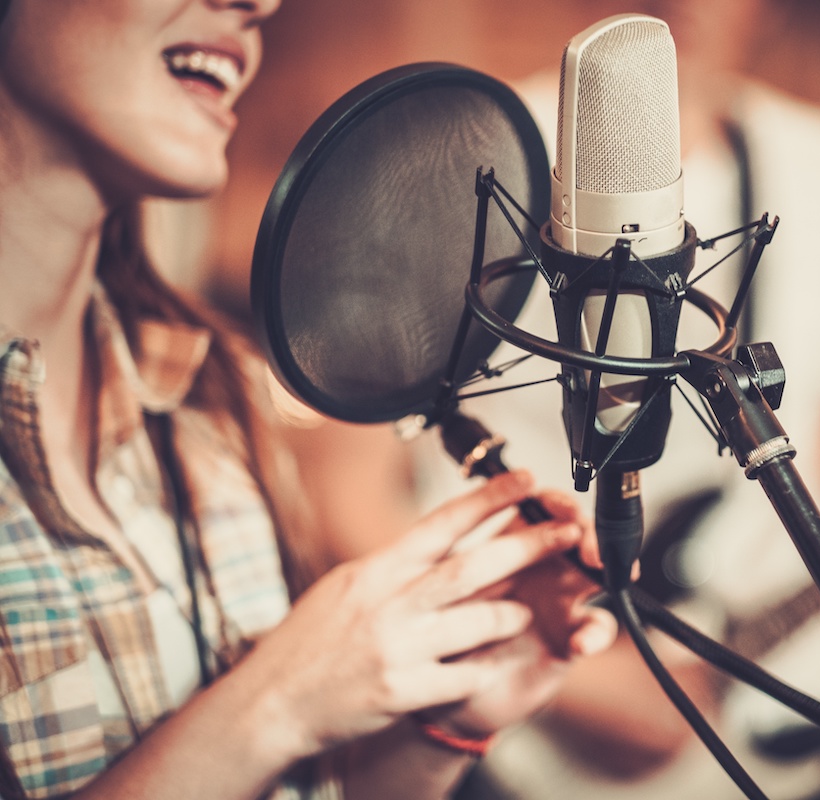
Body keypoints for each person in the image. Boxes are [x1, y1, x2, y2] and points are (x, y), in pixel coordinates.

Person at [0, 1, 616, 799]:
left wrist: (447, 723)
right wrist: (279, 701)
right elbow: (271, 721)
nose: (259, 3)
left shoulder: (211, 399)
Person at [403, 3, 820, 799]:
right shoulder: (474, 152)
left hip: (783, 734)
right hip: (525, 742)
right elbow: (340, 481)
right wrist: (566, 674)